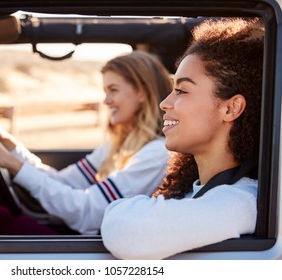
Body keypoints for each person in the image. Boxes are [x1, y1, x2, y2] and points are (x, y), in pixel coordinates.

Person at [101, 18, 263, 259]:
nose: (165, 103)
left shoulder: (241, 202)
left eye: (182, 90)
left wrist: (114, 210)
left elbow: (126, 233)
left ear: (231, 109)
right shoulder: (202, 194)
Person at [0, 51, 173, 235]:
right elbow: (63, 181)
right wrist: (13, 149)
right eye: (105, 90)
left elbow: (85, 212)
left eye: (113, 90)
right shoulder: (120, 144)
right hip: (89, 237)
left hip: (102, 248)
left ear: (142, 92)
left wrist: (12, 164)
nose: (106, 100)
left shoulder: (156, 153)